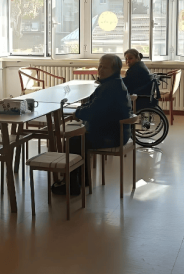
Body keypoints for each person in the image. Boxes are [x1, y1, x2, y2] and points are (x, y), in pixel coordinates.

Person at [52, 54, 132, 195]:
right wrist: (81, 110)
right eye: (99, 66)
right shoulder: (113, 83)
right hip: (117, 132)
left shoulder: (109, 87)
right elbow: (92, 104)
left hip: (111, 136)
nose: (100, 70)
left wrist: (78, 113)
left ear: (114, 70)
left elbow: (93, 112)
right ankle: (83, 180)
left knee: (73, 141)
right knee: (79, 139)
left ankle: (72, 185)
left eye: (104, 67)